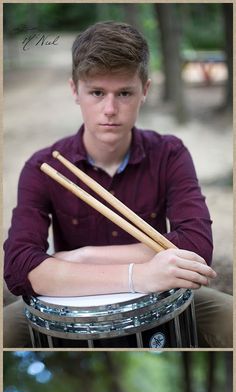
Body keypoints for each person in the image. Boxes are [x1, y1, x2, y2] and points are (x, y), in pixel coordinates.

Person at [3, 21, 232, 348]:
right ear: (75, 91)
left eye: (124, 93)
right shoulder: (45, 167)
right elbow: (19, 268)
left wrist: (80, 258)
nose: (110, 110)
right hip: (72, 304)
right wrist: (138, 274)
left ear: (145, 92)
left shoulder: (169, 154)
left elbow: (196, 248)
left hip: (159, 297)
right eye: (97, 93)